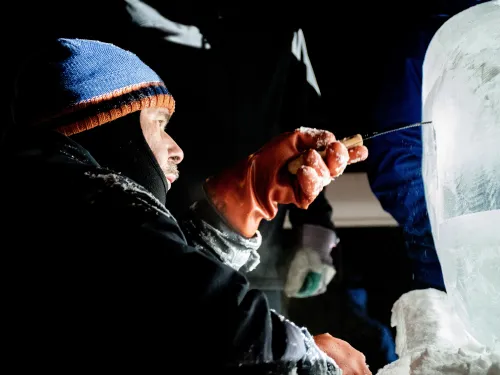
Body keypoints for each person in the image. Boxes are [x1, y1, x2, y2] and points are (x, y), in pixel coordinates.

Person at [2, 38, 370, 374]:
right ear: (110, 123)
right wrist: (309, 359)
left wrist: (245, 199)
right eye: (158, 124)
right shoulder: (82, 195)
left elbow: (158, 301)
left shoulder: (56, 201)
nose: (176, 149)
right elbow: (209, 321)